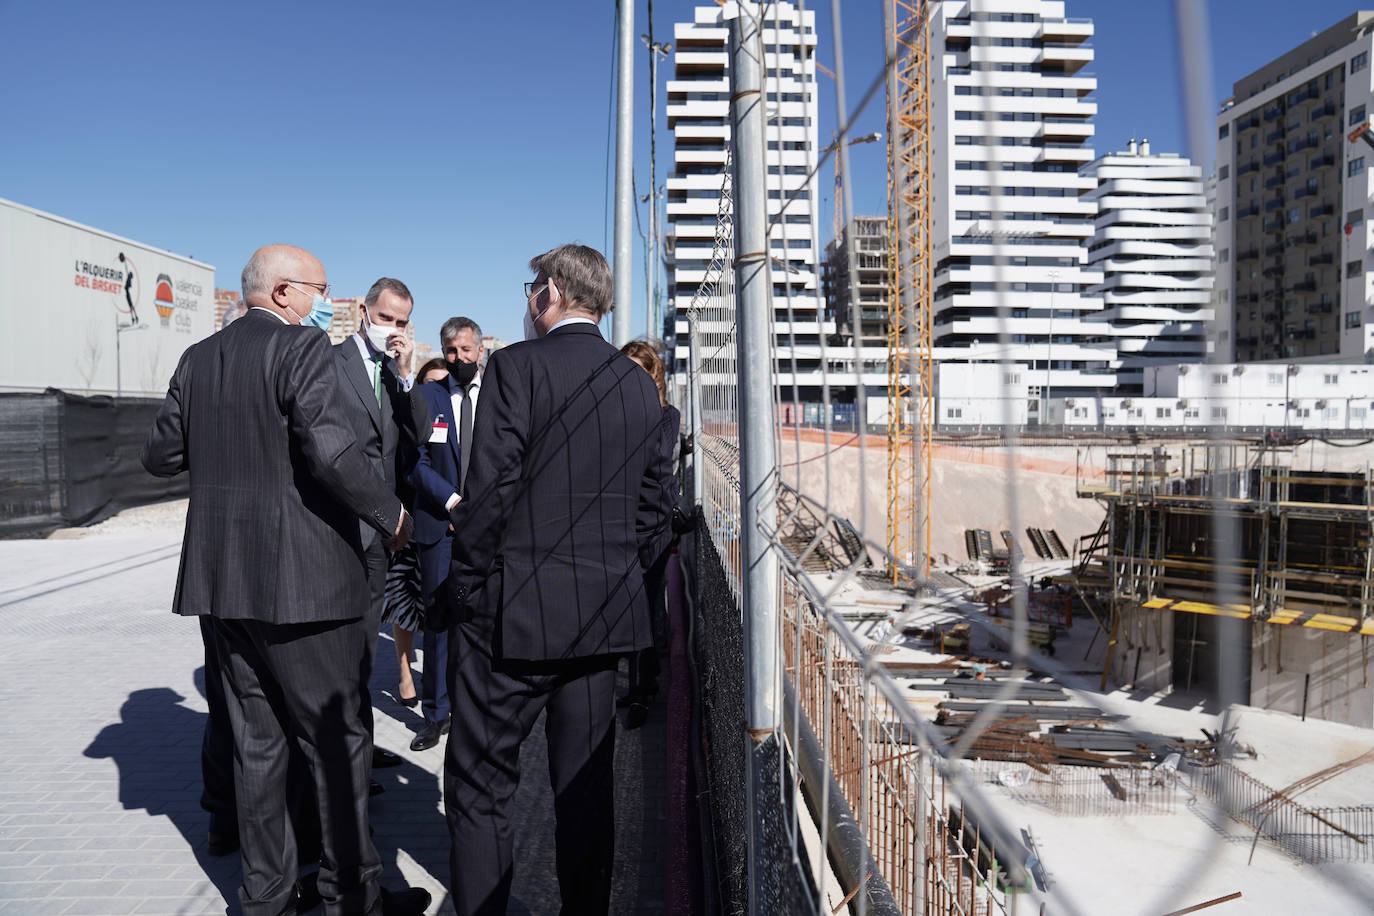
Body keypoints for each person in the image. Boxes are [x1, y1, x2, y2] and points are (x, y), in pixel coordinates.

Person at [141, 244, 430, 916]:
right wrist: (392, 516)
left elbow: (159, 455)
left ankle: (265, 898)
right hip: (305, 590)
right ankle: (349, 896)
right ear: (281, 292)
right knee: (335, 744)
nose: (325, 301)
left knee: (256, 748)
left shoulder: (198, 359)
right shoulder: (302, 351)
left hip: (225, 588)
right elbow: (331, 452)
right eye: (319, 288)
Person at [439, 245, 673, 915]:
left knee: (481, 788)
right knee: (584, 789)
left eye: (531, 286)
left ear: (551, 292)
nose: (528, 298)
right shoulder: (636, 381)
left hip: (510, 620)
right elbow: (651, 502)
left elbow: (490, 492)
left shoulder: (515, 366)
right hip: (600, 622)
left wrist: (463, 587)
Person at [330, 278, 420, 776]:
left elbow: (418, 433)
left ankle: (359, 752)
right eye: (385, 318)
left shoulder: (393, 371)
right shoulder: (330, 361)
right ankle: (346, 755)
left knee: (365, 647)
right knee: (344, 648)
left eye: (402, 321)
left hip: (381, 533)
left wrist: (405, 376)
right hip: (342, 525)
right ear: (364, 312)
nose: (393, 329)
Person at [408, 318, 485, 752]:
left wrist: (480, 511)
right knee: (437, 624)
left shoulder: (495, 396)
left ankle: (472, 710)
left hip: (484, 530)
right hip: (438, 527)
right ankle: (435, 715)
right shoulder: (427, 397)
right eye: (451, 351)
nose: (459, 358)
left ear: (479, 349)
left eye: (466, 350)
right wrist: (453, 502)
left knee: (476, 624)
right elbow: (414, 463)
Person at [618, 339, 682, 728]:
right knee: (625, 608)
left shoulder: (667, 416)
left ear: (653, 375)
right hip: (619, 521)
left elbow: (657, 464)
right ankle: (639, 681)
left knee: (646, 608)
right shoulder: (613, 412)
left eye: (640, 371)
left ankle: (645, 687)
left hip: (654, 525)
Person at [387, 356, 449, 706]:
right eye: (430, 384)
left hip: (440, 517)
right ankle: (405, 672)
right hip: (408, 515)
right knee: (405, 603)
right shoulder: (410, 415)